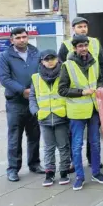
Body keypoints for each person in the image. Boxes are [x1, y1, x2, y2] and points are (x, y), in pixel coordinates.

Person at [58, 35, 103, 190]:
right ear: (74, 48)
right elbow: (62, 89)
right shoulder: (67, 65)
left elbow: (100, 78)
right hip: (77, 111)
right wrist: (82, 92)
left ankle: (96, 172)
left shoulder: (94, 62)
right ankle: (79, 176)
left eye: (85, 45)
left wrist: (99, 86)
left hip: (93, 108)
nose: (84, 48)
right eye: (80, 46)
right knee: (77, 144)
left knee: (94, 143)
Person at [0, 27, 44, 182]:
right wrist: (22, 90)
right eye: (18, 38)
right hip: (15, 102)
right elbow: (4, 78)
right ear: (12, 40)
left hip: (34, 100)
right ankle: (13, 169)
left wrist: (35, 90)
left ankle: (34, 164)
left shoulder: (35, 53)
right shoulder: (5, 56)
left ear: (28, 37)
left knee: (34, 134)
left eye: (24, 37)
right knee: (14, 137)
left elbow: (41, 71)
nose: (22, 40)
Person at [29, 49, 71, 186]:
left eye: (52, 58)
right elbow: (32, 97)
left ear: (57, 59)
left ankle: (64, 172)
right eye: (47, 59)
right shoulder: (36, 77)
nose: (50, 61)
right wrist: (35, 111)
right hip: (44, 118)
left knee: (63, 146)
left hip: (61, 116)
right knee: (48, 147)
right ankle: (49, 173)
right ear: (42, 61)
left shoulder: (64, 74)